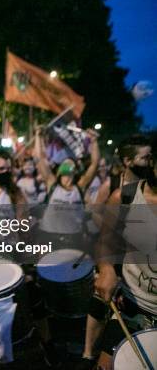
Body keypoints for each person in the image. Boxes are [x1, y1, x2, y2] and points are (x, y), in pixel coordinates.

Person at [76, 135, 153, 370]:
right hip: (122, 263)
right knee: (101, 298)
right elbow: (101, 221)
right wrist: (107, 267)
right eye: (146, 157)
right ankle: (88, 354)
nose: (148, 161)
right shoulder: (117, 190)